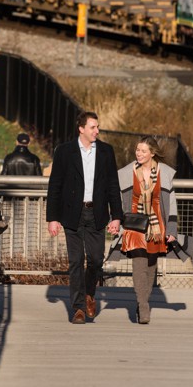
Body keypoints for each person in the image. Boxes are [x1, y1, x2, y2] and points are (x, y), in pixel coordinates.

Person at [46, 112, 123, 324]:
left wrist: (116, 216)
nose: (96, 131)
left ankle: (89, 292)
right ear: (81, 129)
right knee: (76, 261)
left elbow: (112, 186)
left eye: (97, 127)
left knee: (97, 259)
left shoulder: (106, 152)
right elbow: (55, 186)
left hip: (96, 212)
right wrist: (52, 218)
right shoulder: (64, 151)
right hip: (72, 213)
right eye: (92, 127)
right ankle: (78, 308)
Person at [113, 136, 184, 324]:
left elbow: (171, 202)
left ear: (152, 153)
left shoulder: (165, 173)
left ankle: (142, 300)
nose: (139, 154)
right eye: (137, 150)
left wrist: (171, 229)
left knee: (151, 266)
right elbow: (118, 199)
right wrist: (116, 221)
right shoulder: (127, 172)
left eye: (143, 151)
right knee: (139, 264)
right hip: (134, 224)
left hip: (157, 225)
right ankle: (143, 306)